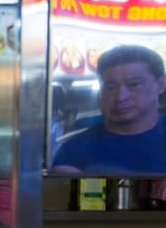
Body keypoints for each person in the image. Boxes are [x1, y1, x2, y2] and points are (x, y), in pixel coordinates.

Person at [51, 44, 166, 174]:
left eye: (134, 85)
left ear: (161, 85)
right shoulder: (74, 149)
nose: (121, 97)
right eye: (111, 88)